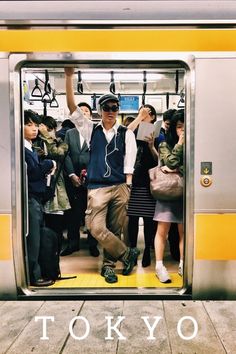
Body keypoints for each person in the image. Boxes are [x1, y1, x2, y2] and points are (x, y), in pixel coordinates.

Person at [65, 67, 139, 284]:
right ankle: (127, 254)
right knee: (95, 227)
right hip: (97, 187)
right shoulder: (90, 130)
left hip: (119, 186)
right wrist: (69, 77)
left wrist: (127, 186)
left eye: (114, 107)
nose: (111, 111)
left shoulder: (126, 134)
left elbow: (130, 162)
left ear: (118, 110)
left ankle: (108, 267)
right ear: (99, 110)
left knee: (115, 228)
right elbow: (72, 107)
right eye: (106, 107)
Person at [61, 101, 99, 257]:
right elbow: (66, 154)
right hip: (74, 179)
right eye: (80, 111)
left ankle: (93, 244)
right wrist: (71, 175)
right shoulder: (70, 133)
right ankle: (73, 243)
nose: (84, 113)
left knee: (93, 213)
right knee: (74, 214)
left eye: (87, 111)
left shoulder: (96, 132)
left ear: (91, 115)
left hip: (93, 179)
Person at [151, 109, 184, 283]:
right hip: (167, 192)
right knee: (162, 230)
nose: (183, 131)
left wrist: (177, 168)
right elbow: (169, 162)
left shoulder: (195, 146)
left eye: (186, 127)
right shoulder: (164, 144)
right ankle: (159, 266)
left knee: (183, 232)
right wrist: (180, 144)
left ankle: (183, 264)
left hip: (185, 193)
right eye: (179, 127)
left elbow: (190, 169)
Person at [24, 110, 55, 287]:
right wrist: (49, 164)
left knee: (35, 236)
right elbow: (33, 172)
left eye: (36, 125)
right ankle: (33, 276)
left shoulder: (29, 146)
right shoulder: (23, 149)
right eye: (29, 125)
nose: (34, 129)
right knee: (33, 238)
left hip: (35, 197)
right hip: (29, 197)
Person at [126, 105, 158, 267]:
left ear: (153, 116)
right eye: (141, 112)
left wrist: (152, 146)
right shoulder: (131, 133)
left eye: (146, 113)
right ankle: (132, 249)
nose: (143, 115)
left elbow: (160, 160)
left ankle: (146, 250)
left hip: (149, 182)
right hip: (133, 180)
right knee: (132, 218)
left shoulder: (157, 134)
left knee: (148, 220)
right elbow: (126, 133)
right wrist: (139, 118)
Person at [34, 116, 71, 247]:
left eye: (50, 129)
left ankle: (54, 255)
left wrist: (46, 135)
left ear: (55, 129)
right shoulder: (35, 143)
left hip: (56, 192)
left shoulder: (62, 143)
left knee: (56, 228)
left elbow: (57, 153)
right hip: (38, 190)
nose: (47, 132)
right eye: (44, 129)